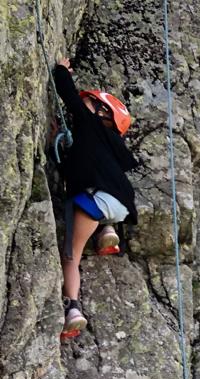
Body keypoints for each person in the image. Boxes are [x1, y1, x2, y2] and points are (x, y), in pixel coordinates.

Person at [51, 57, 138, 339]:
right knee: (102, 206)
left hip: (95, 202)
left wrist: (62, 70)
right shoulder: (110, 146)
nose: (83, 103)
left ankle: (73, 309)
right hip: (121, 205)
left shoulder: (89, 124)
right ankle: (108, 233)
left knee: (71, 257)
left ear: (101, 113)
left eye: (91, 103)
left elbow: (68, 94)